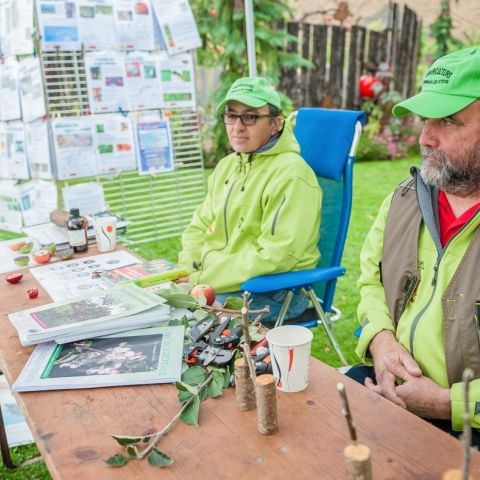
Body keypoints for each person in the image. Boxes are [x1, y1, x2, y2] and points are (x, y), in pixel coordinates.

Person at [350, 46, 480, 443]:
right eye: (426, 119)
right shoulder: (405, 198)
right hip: (390, 388)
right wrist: (381, 343)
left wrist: (446, 403)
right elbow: (370, 280)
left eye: (448, 121)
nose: (425, 136)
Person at [178, 76, 322, 322]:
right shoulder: (227, 166)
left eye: (250, 117)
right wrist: (188, 268)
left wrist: (204, 277)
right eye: (231, 116)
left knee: (184, 318)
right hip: (220, 280)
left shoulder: (292, 174)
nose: (238, 126)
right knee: (159, 304)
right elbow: (199, 226)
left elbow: (278, 255)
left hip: (274, 291)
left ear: (276, 123)